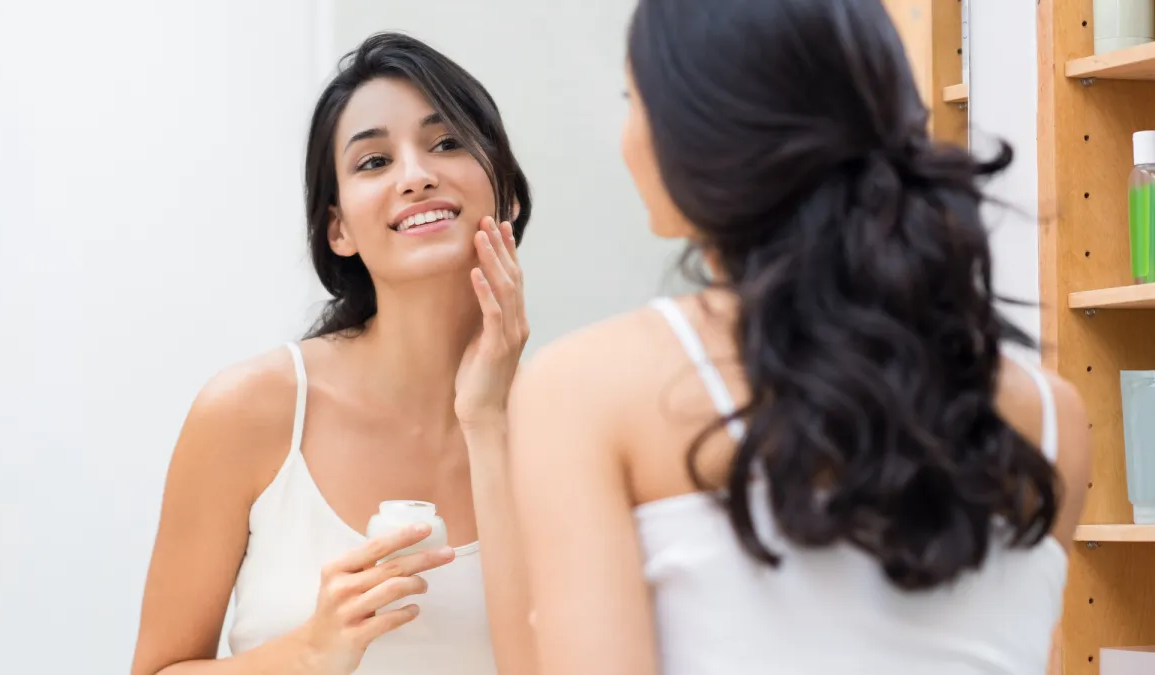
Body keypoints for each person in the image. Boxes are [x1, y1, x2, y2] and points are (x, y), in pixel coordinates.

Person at [507, 1, 1091, 674]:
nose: (627, 137)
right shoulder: (1051, 419)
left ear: (703, 130)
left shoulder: (587, 389)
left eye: (633, 101)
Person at [131, 32, 535, 675]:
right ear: (338, 229)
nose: (416, 176)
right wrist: (309, 651)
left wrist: (487, 423)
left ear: (506, 193)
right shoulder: (251, 411)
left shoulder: (565, 428)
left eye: (447, 143)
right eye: (374, 161)